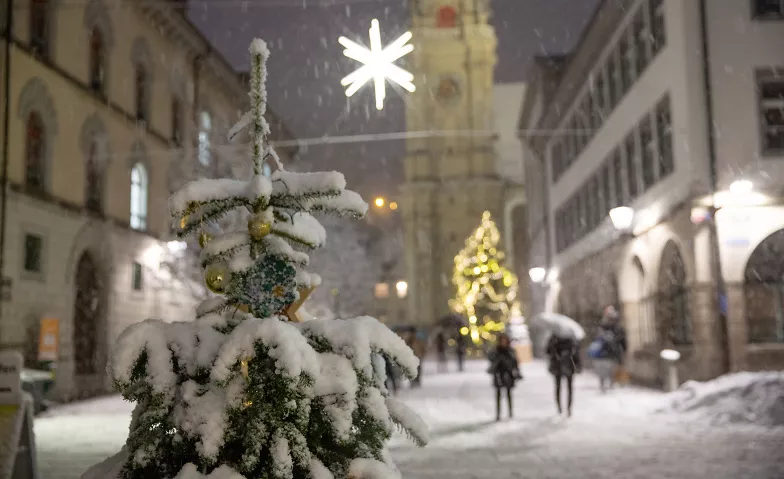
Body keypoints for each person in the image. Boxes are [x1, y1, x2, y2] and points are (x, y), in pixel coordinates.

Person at [588, 306, 627, 393]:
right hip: (606, 353)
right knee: (607, 369)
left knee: (610, 369)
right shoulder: (605, 328)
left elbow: (622, 340)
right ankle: (608, 384)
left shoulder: (610, 328)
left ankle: (610, 384)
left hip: (610, 353)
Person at [488, 334, 521, 421]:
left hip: (508, 374)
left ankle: (510, 413)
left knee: (509, 394)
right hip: (498, 374)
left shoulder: (510, 351)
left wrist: (517, 372)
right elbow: (491, 359)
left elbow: (515, 362)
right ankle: (498, 414)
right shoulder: (496, 351)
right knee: (498, 395)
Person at [546, 333, 581, 416]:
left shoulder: (555, 338)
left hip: (561, 366)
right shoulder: (571, 338)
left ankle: (561, 408)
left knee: (560, 388)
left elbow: (548, 351)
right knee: (568, 388)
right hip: (567, 366)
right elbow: (576, 354)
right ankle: (566, 408)